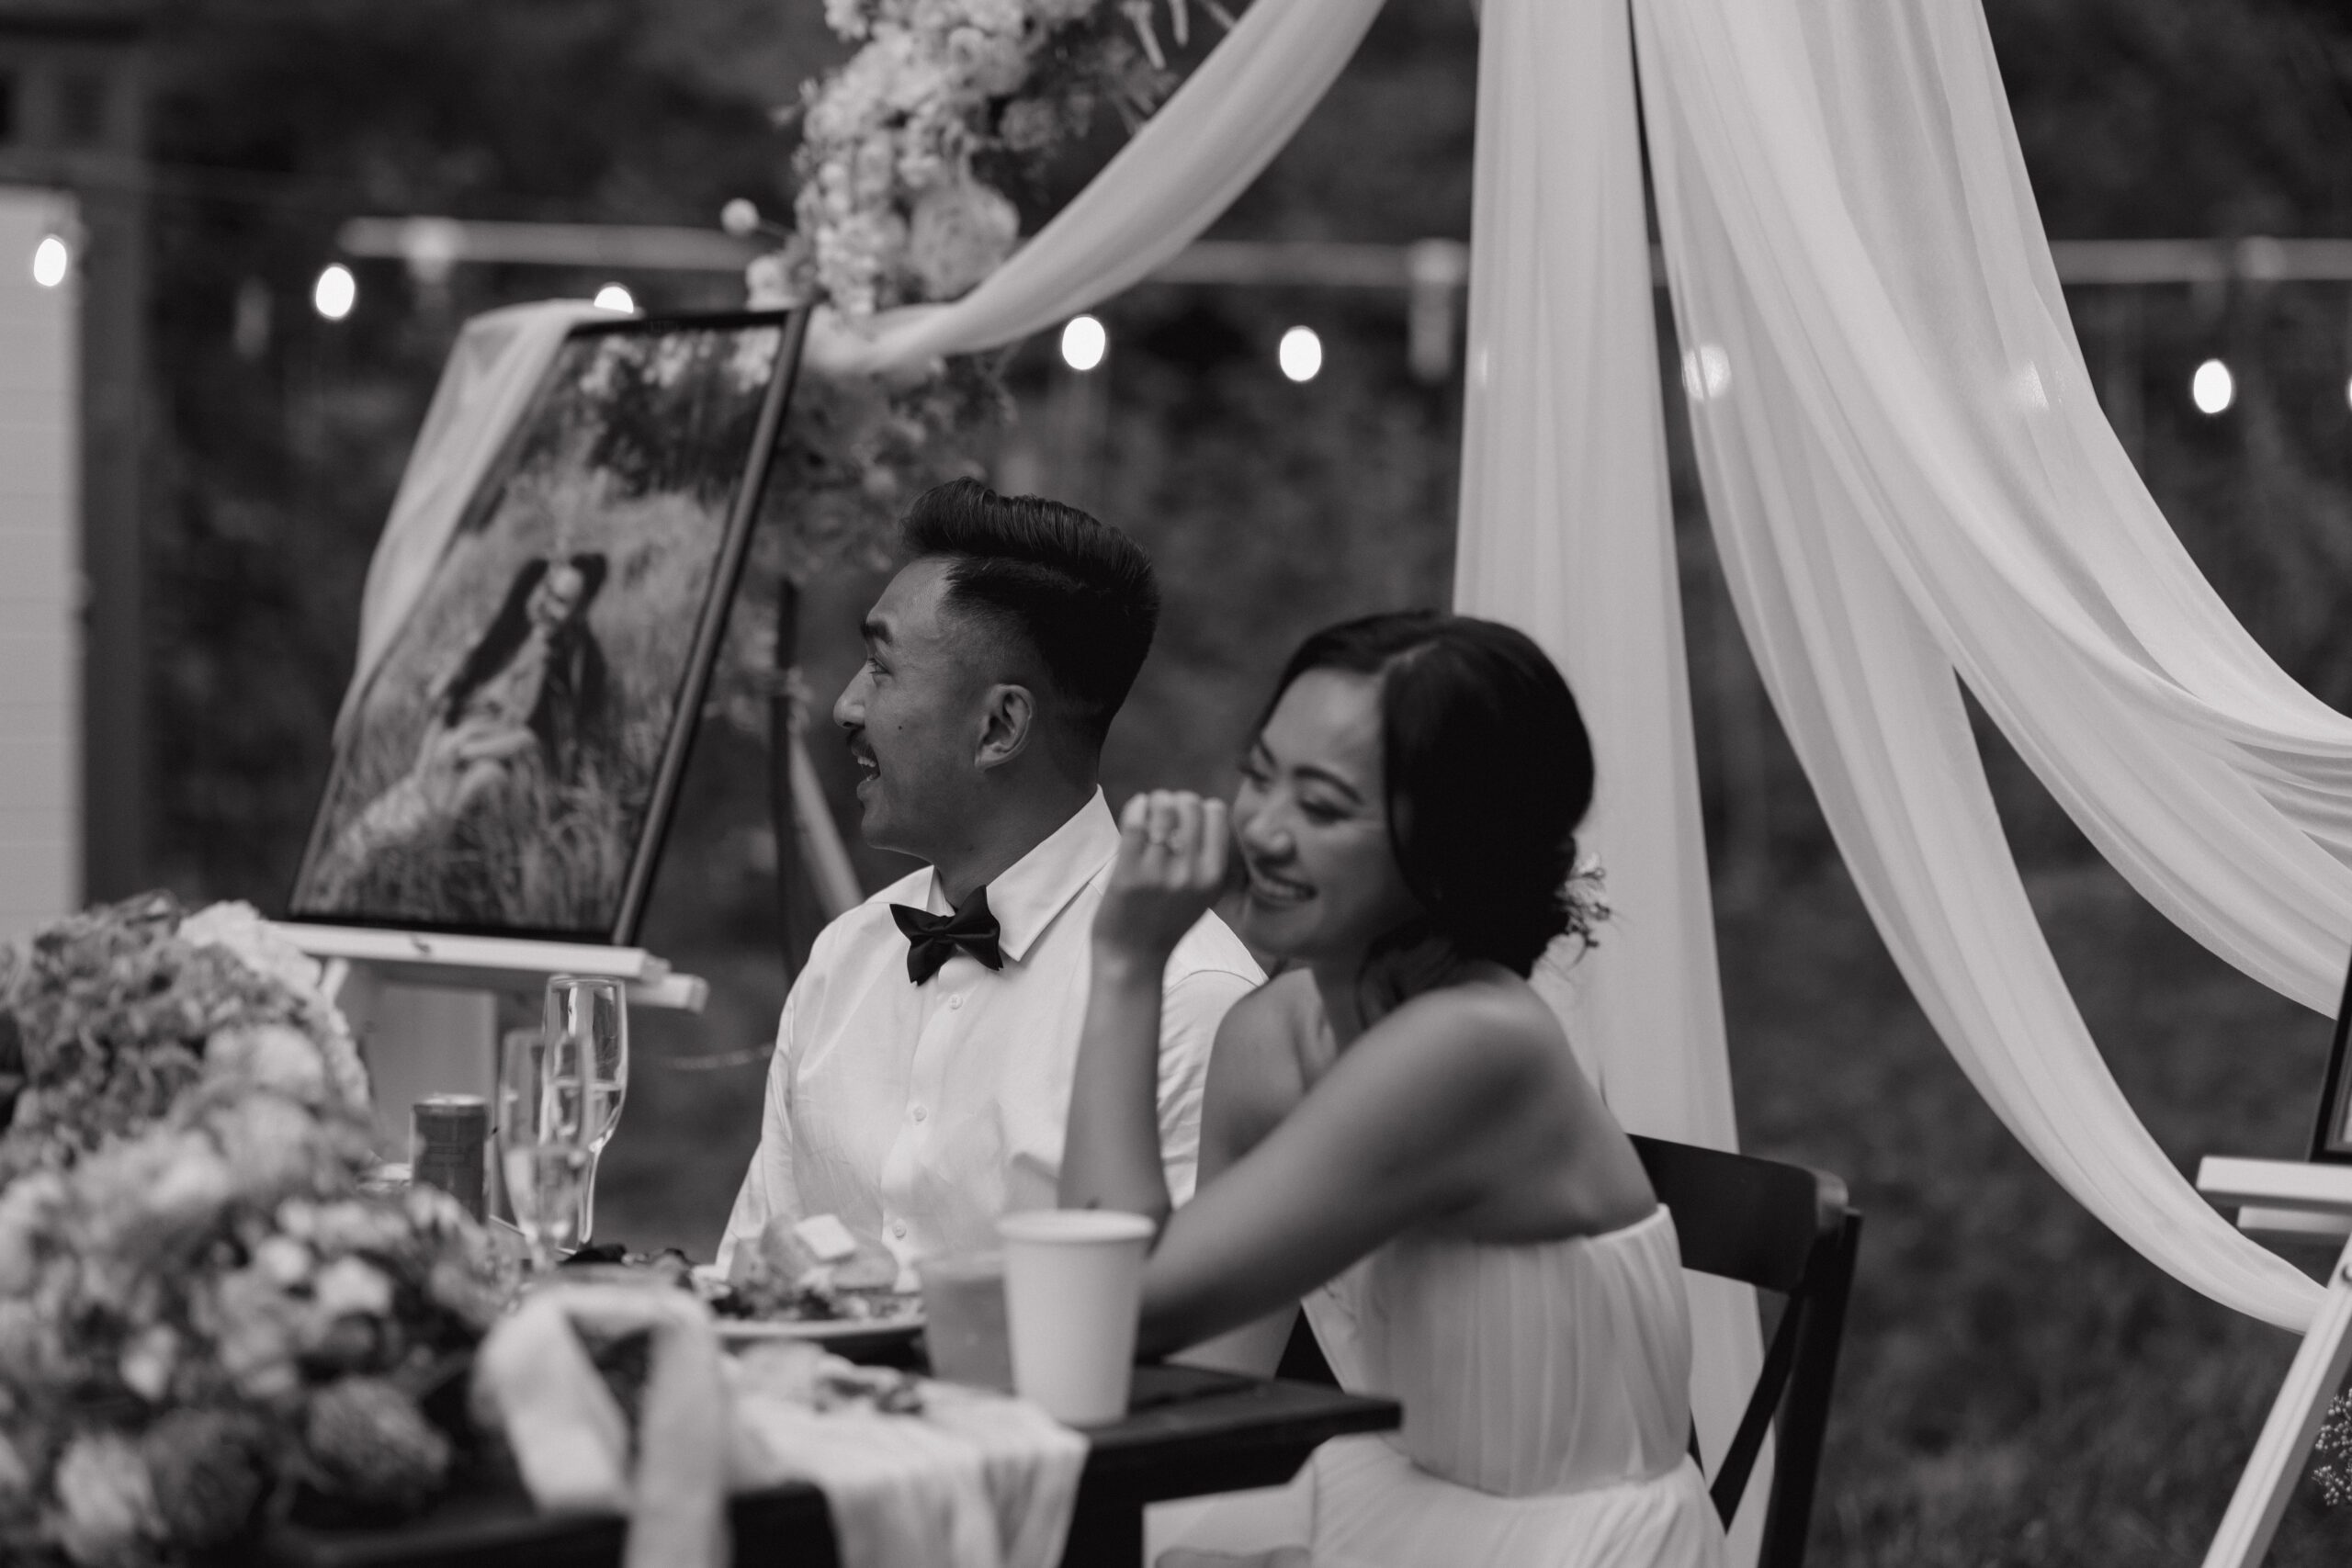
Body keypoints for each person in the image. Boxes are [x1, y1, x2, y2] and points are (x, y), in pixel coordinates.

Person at [1064, 611, 1725, 1568]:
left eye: (1324, 807)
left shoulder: (1470, 1048)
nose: (1262, 830)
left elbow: (1118, 1304)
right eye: (1258, 776)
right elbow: (1196, 1374)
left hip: (1569, 1543)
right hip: (1391, 1507)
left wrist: (1126, 964)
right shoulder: (1269, 1036)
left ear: (1451, 849)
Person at [718, 479, 1261, 1282]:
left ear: (1000, 727)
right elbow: (751, 1278)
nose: (845, 706)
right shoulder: (846, 958)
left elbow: (1168, 1346)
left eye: (880, 667)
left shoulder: (1194, 1000)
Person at [312, 552, 609, 906]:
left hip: (482, 766)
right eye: (546, 590)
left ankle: (411, 877)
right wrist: (430, 761)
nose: (546, 605)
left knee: (430, 823)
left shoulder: (573, 665)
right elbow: (445, 707)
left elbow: (533, 738)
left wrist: (466, 748)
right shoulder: (504, 638)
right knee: (352, 847)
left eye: (560, 602)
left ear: (580, 610)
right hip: (440, 764)